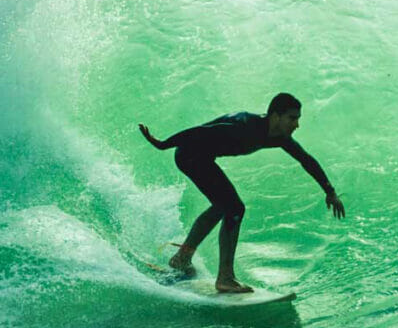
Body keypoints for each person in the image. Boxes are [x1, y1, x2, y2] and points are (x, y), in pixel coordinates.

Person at [139, 93, 345, 293]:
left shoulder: (278, 137)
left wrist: (330, 192)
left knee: (224, 205)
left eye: (298, 119)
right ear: (276, 116)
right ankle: (225, 277)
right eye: (292, 118)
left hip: (201, 157)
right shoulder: (245, 126)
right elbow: (199, 132)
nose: (296, 125)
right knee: (234, 207)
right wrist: (163, 144)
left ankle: (182, 258)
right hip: (190, 154)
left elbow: (305, 159)